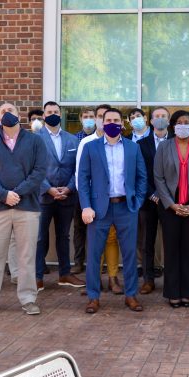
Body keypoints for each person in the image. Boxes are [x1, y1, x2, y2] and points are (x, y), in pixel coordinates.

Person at [0, 103, 48, 316]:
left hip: (27, 207)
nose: (7, 114)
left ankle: (28, 299)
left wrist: (17, 193)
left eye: (11, 111)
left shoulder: (35, 141)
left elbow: (39, 171)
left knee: (26, 256)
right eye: (3, 112)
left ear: (19, 115)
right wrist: (4, 195)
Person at [78, 108, 147, 314]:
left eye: (116, 120)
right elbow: (83, 179)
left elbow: (142, 177)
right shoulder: (90, 147)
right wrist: (86, 206)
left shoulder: (133, 147)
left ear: (122, 123)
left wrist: (137, 201)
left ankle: (131, 295)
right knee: (94, 254)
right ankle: (93, 297)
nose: (112, 123)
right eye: (108, 120)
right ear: (102, 123)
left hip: (126, 206)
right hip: (99, 208)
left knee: (129, 253)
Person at [154, 110, 189, 308]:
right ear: (173, 125)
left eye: (187, 122)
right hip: (170, 206)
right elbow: (158, 177)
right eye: (179, 122)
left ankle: (187, 293)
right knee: (171, 250)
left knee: (188, 250)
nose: (183, 125)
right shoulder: (164, 147)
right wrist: (171, 204)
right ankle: (172, 293)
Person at [35, 102, 84, 290]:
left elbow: (77, 168)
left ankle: (65, 274)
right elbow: (33, 168)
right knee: (40, 237)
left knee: (64, 236)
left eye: (56, 111)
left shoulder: (72, 140)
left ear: (60, 114)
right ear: (44, 115)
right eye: (49, 112)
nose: (53, 114)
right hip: (43, 197)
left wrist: (69, 188)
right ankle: (37, 276)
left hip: (67, 197)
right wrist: (49, 189)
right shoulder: (35, 139)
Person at [72, 104, 111, 274]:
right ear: (96, 119)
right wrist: (85, 200)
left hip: (106, 197)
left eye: (105, 117)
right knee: (82, 230)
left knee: (106, 234)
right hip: (87, 196)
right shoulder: (86, 142)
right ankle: (81, 264)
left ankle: (105, 268)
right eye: (100, 116)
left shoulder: (116, 142)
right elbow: (80, 173)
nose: (102, 120)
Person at [137, 106, 171, 294]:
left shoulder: (176, 141)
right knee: (146, 242)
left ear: (168, 120)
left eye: (163, 116)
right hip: (148, 200)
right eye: (156, 116)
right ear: (150, 121)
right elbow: (140, 173)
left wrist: (164, 195)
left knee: (170, 241)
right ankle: (148, 280)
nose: (160, 118)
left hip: (170, 200)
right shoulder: (141, 144)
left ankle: (171, 280)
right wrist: (152, 193)